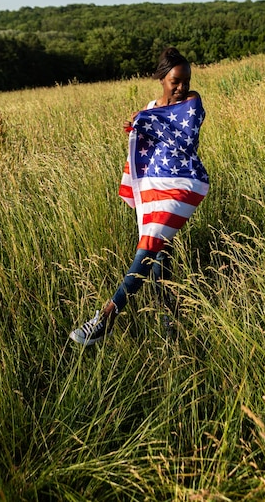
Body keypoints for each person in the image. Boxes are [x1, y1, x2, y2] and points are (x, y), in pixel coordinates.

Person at [69, 47, 209, 345]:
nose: (182, 87)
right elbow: (147, 146)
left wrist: (145, 122)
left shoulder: (192, 102)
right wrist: (137, 129)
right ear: (161, 79)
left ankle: (106, 316)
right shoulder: (149, 109)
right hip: (155, 189)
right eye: (176, 81)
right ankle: (170, 324)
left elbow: (185, 138)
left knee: (147, 248)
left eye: (186, 80)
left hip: (180, 186)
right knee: (160, 255)